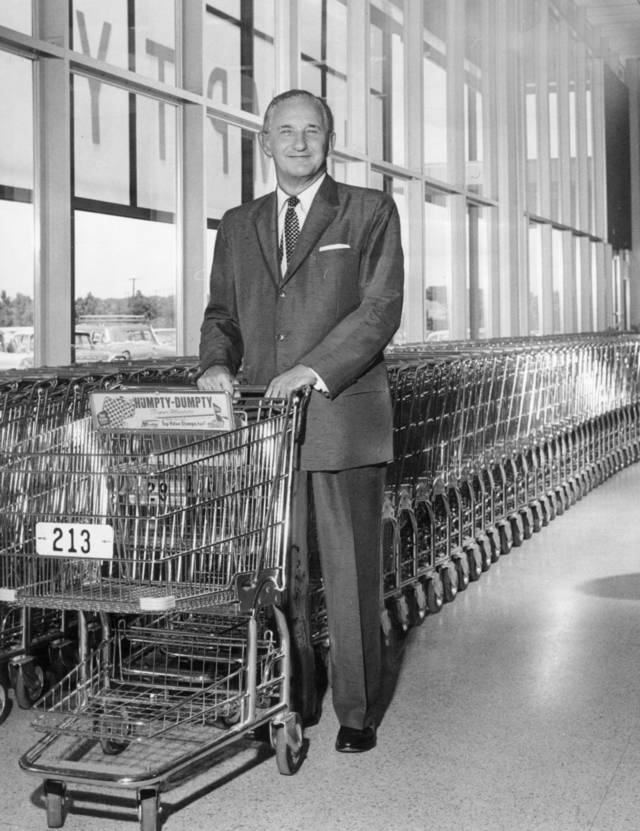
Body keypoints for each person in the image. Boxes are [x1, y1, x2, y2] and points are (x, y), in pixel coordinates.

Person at [198, 89, 404, 753]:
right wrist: (214, 364)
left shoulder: (370, 211)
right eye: (284, 131)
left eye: (310, 129)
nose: (297, 141)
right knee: (279, 571)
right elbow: (221, 313)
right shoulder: (238, 223)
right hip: (268, 428)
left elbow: (378, 311)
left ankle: (357, 711)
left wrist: (311, 369)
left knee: (349, 572)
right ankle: (295, 695)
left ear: (329, 139)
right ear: (264, 143)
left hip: (342, 417)